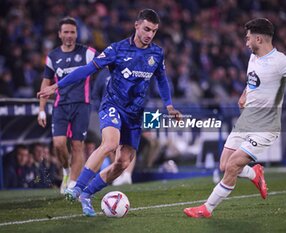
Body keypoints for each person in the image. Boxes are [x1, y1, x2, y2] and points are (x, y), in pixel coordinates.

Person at [183, 18, 286, 218]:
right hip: (246, 121)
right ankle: (255, 174)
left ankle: (206, 208)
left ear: (259, 38)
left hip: (265, 127)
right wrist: (244, 95)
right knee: (224, 165)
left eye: (248, 38)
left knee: (232, 166)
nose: (245, 42)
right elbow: (252, 81)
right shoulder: (254, 57)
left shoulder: (280, 62)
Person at [38, 9, 181, 217]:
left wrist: (169, 105)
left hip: (135, 113)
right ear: (137, 25)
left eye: (154, 31)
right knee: (110, 144)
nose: (150, 34)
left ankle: (86, 195)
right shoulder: (117, 49)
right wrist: (57, 86)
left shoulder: (157, 53)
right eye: (147, 29)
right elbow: (87, 70)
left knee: (122, 163)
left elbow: (161, 79)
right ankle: (76, 187)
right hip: (113, 105)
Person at [37, 17, 99, 194]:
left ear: (77, 34)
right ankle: (65, 170)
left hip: (82, 105)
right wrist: (41, 109)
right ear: (59, 34)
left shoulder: (88, 53)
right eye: (66, 32)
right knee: (58, 144)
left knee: (77, 145)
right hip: (61, 105)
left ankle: (72, 184)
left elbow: (105, 64)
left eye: (72, 32)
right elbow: (46, 83)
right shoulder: (53, 56)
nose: (69, 35)